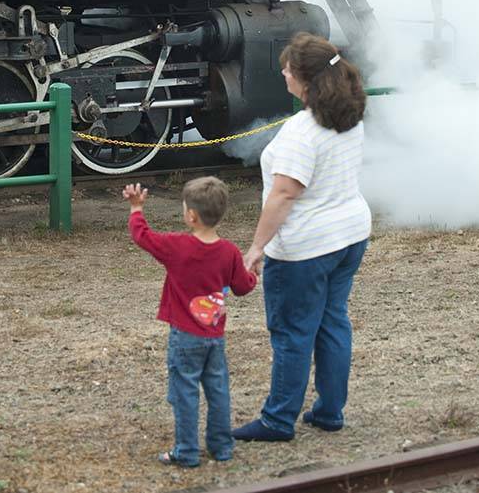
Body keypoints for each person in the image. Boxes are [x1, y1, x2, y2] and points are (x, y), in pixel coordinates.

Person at [233, 32, 371, 443]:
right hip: (349, 234)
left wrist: (257, 247)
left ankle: (278, 420)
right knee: (332, 322)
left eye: (288, 69)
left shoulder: (300, 132)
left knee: (293, 331)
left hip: (306, 246)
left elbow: (285, 193)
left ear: (306, 79)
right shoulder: (350, 115)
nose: (283, 73)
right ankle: (330, 411)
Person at [124, 175, 258, 467]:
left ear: (191, 216)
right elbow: (243, 287)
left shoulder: (177, 247)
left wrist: (136, 208)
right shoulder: (230, 251)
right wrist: (254, 273)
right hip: (215, 336)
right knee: (218, 390)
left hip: (185, 336)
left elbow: (142, 236)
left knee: (185, 393)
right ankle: (222, 447)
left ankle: (186, 451)